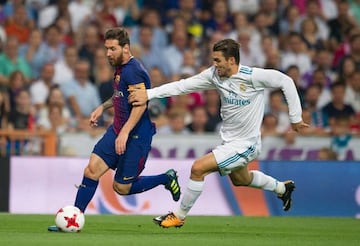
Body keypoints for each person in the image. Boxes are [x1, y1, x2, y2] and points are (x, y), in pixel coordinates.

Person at [128, 38, 309, 228]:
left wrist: (295, 117)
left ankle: (179, 216)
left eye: (218, 60)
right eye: (213, 60)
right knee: (241, 179)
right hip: (229, 142)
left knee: (198, 168)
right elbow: (182, 86)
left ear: (231, 60)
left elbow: (285, 81)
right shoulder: (214, 75)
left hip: (246, 144)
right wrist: (148, 94)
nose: (215, 64)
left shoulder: (252, 76)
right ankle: (282, 188)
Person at [48, 27, 181, 232]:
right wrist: (102, 107)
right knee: (91, 170)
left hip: (136, 135)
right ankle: (73, 219)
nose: (107, 53)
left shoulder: (135, 71)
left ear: (125, 48)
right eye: (106, 48)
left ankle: (166, 178)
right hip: (117, 129)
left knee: (121, 188)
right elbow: (120, 95)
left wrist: (126, 133)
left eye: (112, 49)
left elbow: (140, 105)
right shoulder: (120, 67)